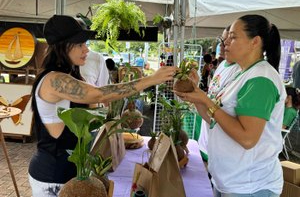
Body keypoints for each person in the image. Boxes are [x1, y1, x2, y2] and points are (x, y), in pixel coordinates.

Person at [28, 14, 177, 197]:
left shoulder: (70, 75)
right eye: (80, 44)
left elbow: (95, 103)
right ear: (63, 46)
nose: (87, 50)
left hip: (71, 175)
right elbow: (98, 93)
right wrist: (151, 79)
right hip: (52, 177)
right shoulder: (53, 79)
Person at [175, 15, 285, 196]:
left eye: (233, 37)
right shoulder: (239, 72)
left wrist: (206, 99)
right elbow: (214, 118)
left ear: (255, 42)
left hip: (249, 186)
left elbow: (247, 138)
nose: (225, 42)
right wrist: (196, 96)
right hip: (229, 180)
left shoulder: (261, 79)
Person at [198, 25, 241, 163]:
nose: (222, 45)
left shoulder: (240, 72)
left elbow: (222, 114)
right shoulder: (222, 66)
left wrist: (198, 96)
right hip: (207, 142)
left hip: (222, 151)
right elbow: (211, 103)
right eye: (221, 40)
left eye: (228, 40)